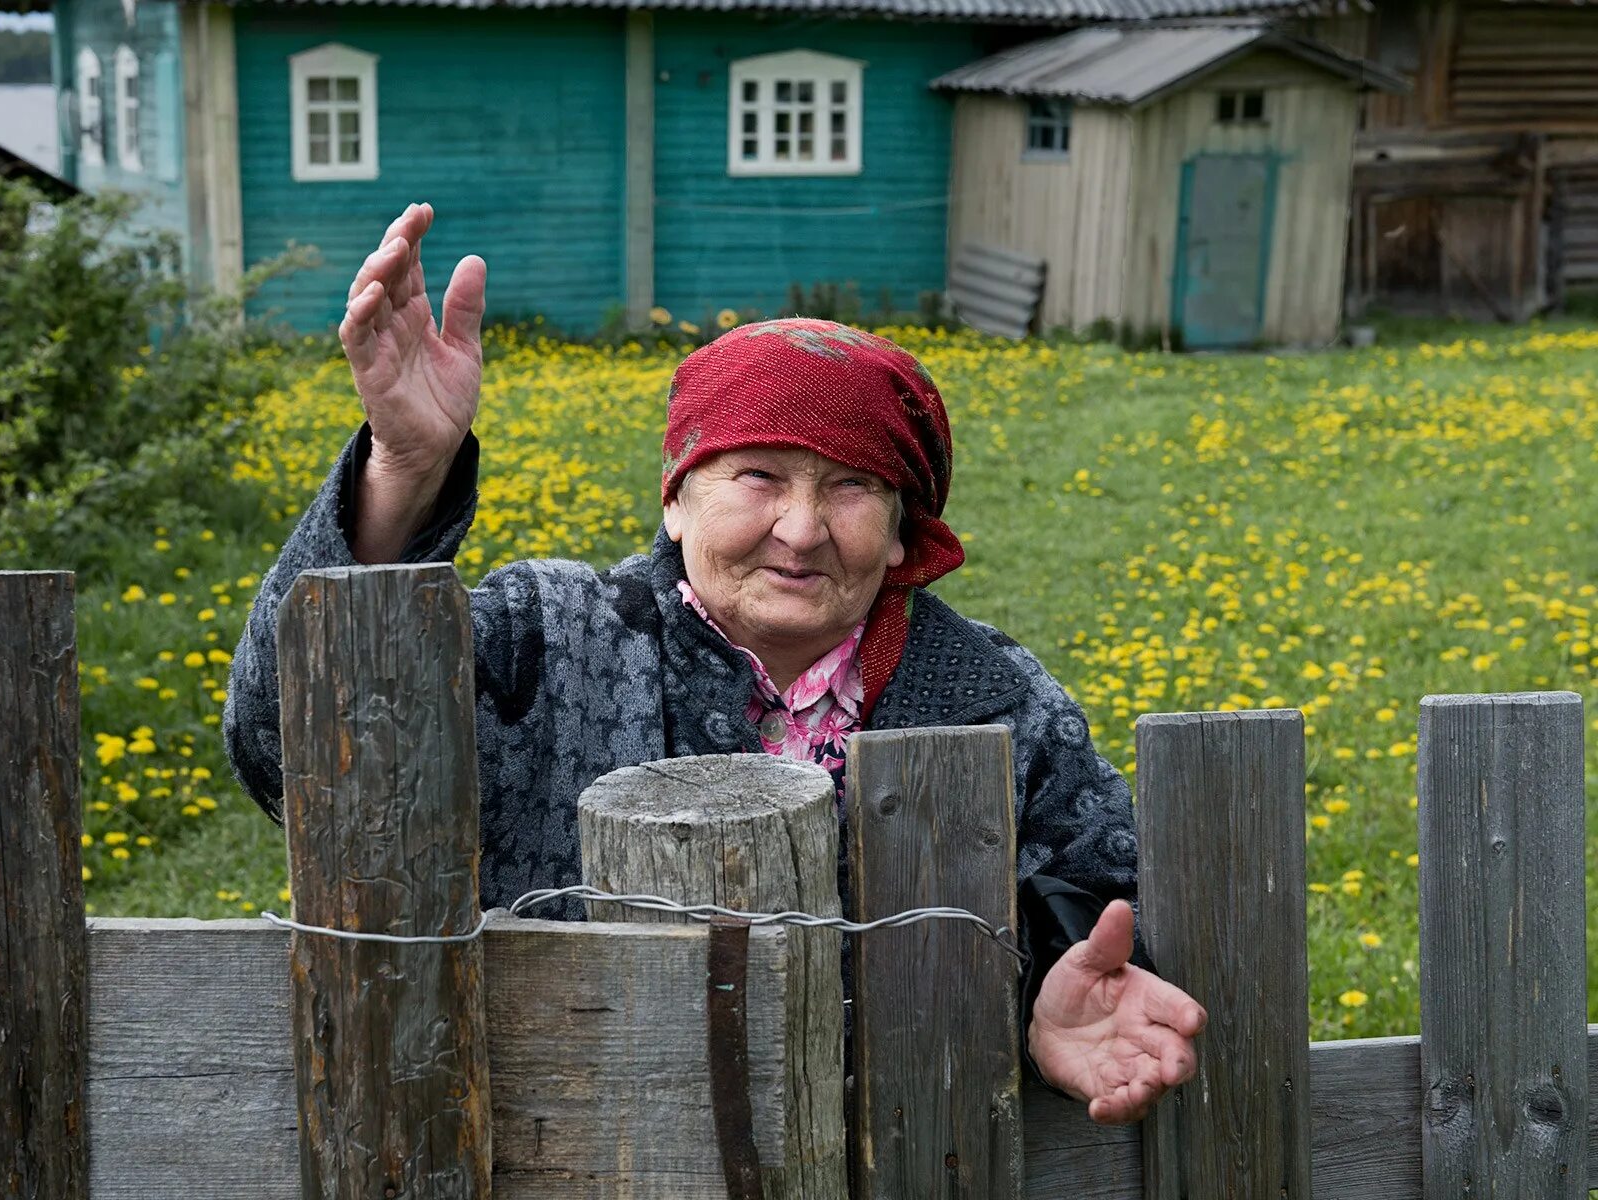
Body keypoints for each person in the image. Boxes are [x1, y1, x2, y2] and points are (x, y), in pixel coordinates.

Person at [224, 202, 1207, 1126]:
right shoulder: (551, 633)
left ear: (905, 528)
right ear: (675, 498)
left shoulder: (996, 700)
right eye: (759, 476)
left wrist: (1047, 1002)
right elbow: (291, 751)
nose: (802, 527)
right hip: (565, 1143)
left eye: (854, 485)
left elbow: (1094, 909)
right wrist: (405, 472)